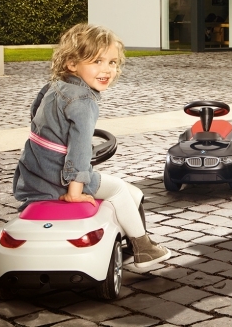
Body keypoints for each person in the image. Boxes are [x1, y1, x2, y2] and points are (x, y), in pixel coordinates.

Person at [13, 23, 170, 267]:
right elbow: (80, 149)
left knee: (121, 189)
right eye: (97, 61)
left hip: (34, 171)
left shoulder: (53, 86)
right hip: (58, 177)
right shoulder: (84, 101)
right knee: (120, 190)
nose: (107, 70)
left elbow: (35, 116)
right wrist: (75, 192)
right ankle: (144, 248)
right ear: (72, 63)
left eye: (112, 62)